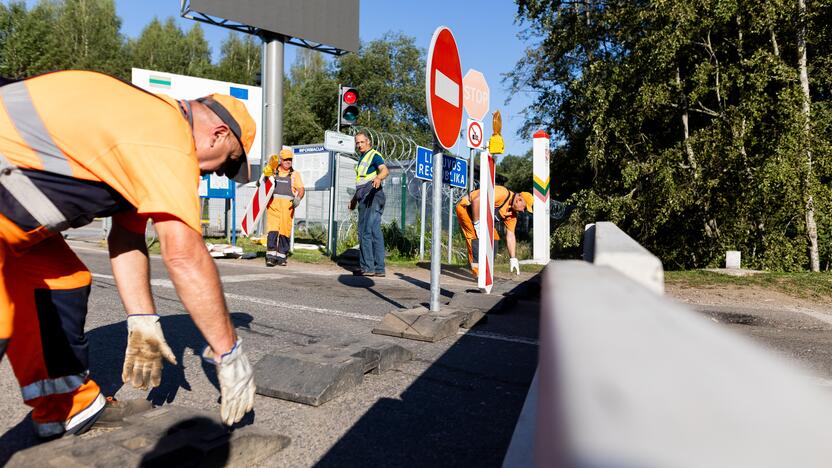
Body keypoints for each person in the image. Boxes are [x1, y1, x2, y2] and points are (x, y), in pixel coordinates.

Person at [0, 70, 256, 438]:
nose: (216, 174)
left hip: (11, 211)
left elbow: (126, 237)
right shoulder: (166, 137)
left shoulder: (143, 122)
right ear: (219, 134)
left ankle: (70, 405)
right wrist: (228, 353)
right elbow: (184, 255)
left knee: (60, 282)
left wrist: (142, 320)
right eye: (227, 163)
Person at [456, 186, 534, 276]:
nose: (523, 211)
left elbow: (510, 235)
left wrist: (513, 258)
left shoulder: (512, 215)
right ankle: (478, 273)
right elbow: (476, 201)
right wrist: (477, 225)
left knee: (495, 238)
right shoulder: (502, 193)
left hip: (481, 218)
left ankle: (486, 269)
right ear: (519, 200)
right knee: (474, 237)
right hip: (466, 208)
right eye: (524, 207)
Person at [348, 130, 388, 277]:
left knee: (366, 231)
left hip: (373, 196)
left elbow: (384, 170)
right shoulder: (361, 159)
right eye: (357, 143)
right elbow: (361, 182)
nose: (359, 145)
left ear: (368, 142)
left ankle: (368, 267)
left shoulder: (374, 155)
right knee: (373, 231)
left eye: (362, 142)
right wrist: (353, 200)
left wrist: (379, 178)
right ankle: (378, 268)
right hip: (363, 198)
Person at [263, 148, 304, 267]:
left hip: (288, 209)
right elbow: (263, 181)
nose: (288, 161)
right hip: (273, 208)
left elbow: (301, 189)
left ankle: (281, 257)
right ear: (280, 160)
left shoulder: (295, 174)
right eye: (286, 159)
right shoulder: (273, 172)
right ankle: (270, 256)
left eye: (290, 159)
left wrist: (298, 198)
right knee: (273, 231)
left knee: (284, 232)